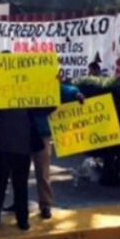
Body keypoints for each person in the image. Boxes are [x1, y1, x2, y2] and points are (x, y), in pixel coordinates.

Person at [0, 68, 36, 231]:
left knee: (19, 185)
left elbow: (47, 107)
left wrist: (54, 85)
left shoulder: (29, 94)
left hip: (20, 146)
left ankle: (21, 218)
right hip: (2, 145)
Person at [26, 79, 85, 220]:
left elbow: (66, 90)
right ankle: (19, 203)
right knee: (19, 173)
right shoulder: (23, 82)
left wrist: (77, 94)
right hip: (23, 133)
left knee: (43, 173)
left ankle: (45, 205)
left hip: (41, 134)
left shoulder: (50, 84)